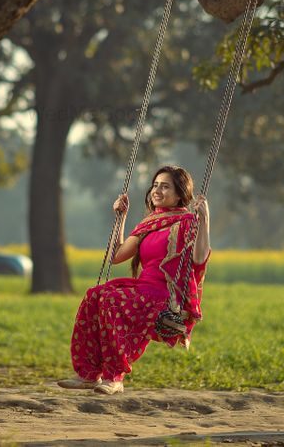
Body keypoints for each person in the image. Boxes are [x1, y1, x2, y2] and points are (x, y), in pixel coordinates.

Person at [58, 165, 211, 395]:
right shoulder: (149, 223)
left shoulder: (188, 222)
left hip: (164, 296)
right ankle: (88, 374)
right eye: (155, 185)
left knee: (111, 300)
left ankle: (114, 377)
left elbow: (199, 259)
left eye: (165, 186)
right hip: (142, 288)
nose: (157, 190)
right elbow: (117, 256)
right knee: (94, 295)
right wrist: (121, 218)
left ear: (180, 194)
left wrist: (205, 219)